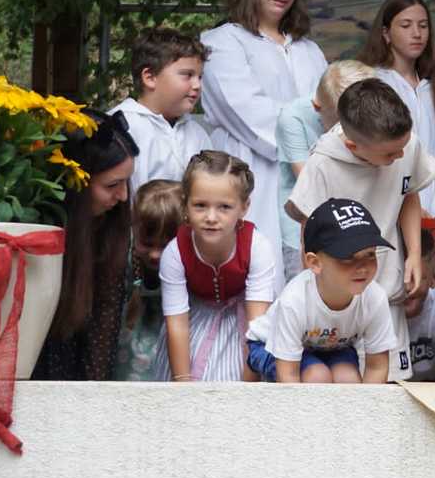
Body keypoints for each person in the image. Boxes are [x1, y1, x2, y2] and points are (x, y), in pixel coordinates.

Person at [286, 78, 435, 379]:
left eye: (403, 148)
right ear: (353, 146)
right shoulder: (323, 164)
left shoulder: (404, 143)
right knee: (347, 386)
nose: (400, 156)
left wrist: (414, 254)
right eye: (390, 155)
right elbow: (309, 231)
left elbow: (408, 194)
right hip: (340, 303)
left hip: (387, 291)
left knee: (390, 382)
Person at [200, 0, 328, 253]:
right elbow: (248, 112)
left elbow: (332, 111)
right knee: (258, 263)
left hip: (311, 176)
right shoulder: (222, 43)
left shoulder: (309, 50)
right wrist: (310, 141)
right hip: (252, 173)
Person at [31, 110, 139, 381]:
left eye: (127, 182)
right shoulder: (35, 226)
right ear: (76, 183)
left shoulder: (112, 230)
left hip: (77, 375)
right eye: (112, 185)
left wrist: (93, 395)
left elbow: (103, 330)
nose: (124, 195)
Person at [244, 198, 395, 383]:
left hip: (329, 347)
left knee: (347, 379)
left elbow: (377, 366)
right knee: (317, 376)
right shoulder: (295, 300)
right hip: (268, 344)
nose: (362, 267)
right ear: (315, 263)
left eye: (370, 254)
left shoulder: (375, 298)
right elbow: (288, 376)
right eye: (348, 257)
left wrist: (366, 403)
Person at [157, 151, 278, 382]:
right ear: (185, 204)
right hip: (194, 323)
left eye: (224, 207)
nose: (211, 217)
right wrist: (182, 383)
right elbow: (177, 325)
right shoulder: (175, 252)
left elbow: (257, 325)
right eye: (200, 205)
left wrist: (250, 387)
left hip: (245, 326)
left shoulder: (257, 247)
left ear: (244, 207)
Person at [360, 0, 435, 218]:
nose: (417, 33)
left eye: (423, 26)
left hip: (434, 218)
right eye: (406, 25)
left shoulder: (434, 90)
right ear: (386, 33)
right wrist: (408, 210)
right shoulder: (373, 85)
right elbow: (371, 158)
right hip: (387, 214)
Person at [274, 59, 375, 281]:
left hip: (356, 223)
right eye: (342, 124)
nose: (348, 131)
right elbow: (308, 182)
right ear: (317, 108)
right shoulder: (292, 117)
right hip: (303, 227)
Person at [109, 27, 210, 198]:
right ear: (150, 77)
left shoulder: (197, 134)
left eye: (200, 77)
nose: (197, 85)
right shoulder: (121, 127)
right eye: (187, 75)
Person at [113, 180, 183, 381]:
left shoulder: (189, 267)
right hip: (129, 358)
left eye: (164, 245)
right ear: (134, 229)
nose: (155, 254)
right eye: (147, 244)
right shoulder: (124, 262)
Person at [404, 226, 435, 381]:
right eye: (401, 276)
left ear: (433, 279)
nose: (408, 286)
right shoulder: (382, 308)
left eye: (417, 277)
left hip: (433, 385)